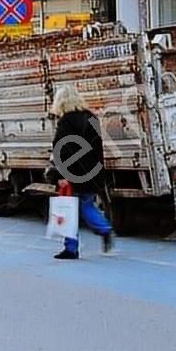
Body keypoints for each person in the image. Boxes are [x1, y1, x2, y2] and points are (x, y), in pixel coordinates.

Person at [48, 85, 114, 260]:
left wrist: (61, 175)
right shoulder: (91, 118)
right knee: (86, 204)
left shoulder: (65, 122)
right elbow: (98, 148)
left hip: (73, 174)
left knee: (70, 210)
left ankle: (71, 248)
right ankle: (104, 228)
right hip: (92, 172)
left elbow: (62, 151)